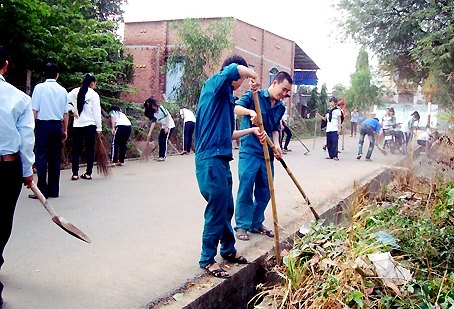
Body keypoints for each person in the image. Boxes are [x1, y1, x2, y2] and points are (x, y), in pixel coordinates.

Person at [194, 55, 266, 279]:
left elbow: (228, 134)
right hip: (210, 159)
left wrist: (251, 131)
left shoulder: (225, 100)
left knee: (227, 207)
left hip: (221, 158)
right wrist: (253, 74)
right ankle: (207, 258)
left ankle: (227, 250)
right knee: (217, 207)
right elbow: (232, 69)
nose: (241, 82)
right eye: (241, 79)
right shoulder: (214, 85)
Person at [234, 71, 291, 241]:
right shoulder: (254, 96)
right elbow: (236, 108)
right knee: (246, 186)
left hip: (267, 154)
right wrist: (250, 113)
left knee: (265, 189)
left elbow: (275, 128)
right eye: (283, 89)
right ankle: (242, 225)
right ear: (274, 83)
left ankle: (256, 222)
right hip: (250, 150)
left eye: (287, 91)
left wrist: (277, 146)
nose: (284, 94)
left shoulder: (281, 107)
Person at [0, 45, 35, 308]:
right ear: (5, 65)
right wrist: (27, 172)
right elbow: (25, 141)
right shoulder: (19, 98)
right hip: (6, 168)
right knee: (0, 224)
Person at [28, 63, 68, 200]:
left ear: (44, 73)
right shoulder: (63, 91)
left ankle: (41, 190)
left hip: (43, 126)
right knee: (55, 157)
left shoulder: (39, 88)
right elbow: (65, 113)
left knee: (41, 157)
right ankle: (54, 189)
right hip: (56, 126)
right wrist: (65, 129)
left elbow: (34, 110)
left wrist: (31, 128)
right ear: (57, 76)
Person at [67, 73, 102, 180]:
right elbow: (96, 112)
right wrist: (99, 127)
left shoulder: (74, 92)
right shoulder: (94, 95)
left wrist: (72, 111)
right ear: (92, 83)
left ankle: (75, 173)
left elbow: (66, 102)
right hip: (90, 125)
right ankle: (88, 173)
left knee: (76, 149)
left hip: (78, 124)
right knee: (89, 149)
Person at [144, 98, 175, 162]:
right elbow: (154, 122)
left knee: (164, 140)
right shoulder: (154, 113)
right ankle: (160, 156)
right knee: (160, 140)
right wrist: (149, 133)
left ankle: (163, 156)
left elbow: (167, 116)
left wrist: (166, 127)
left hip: (169, 125)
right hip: (164, 126)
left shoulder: (161, 108)